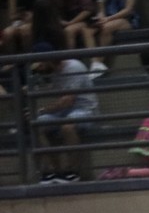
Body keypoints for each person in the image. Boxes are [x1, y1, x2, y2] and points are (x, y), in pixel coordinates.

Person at [29, 42, 98, 183]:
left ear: (48, 59)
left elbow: (67, 101)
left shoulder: (74, 67)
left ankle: (72, 171)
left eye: (40, 63)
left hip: (85, 110)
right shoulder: (53, 72)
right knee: (38, 124)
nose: (39, 67)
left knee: (67, 126)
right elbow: (53, 92)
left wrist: (41, 110)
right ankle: (53, 171)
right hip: (65, 112)